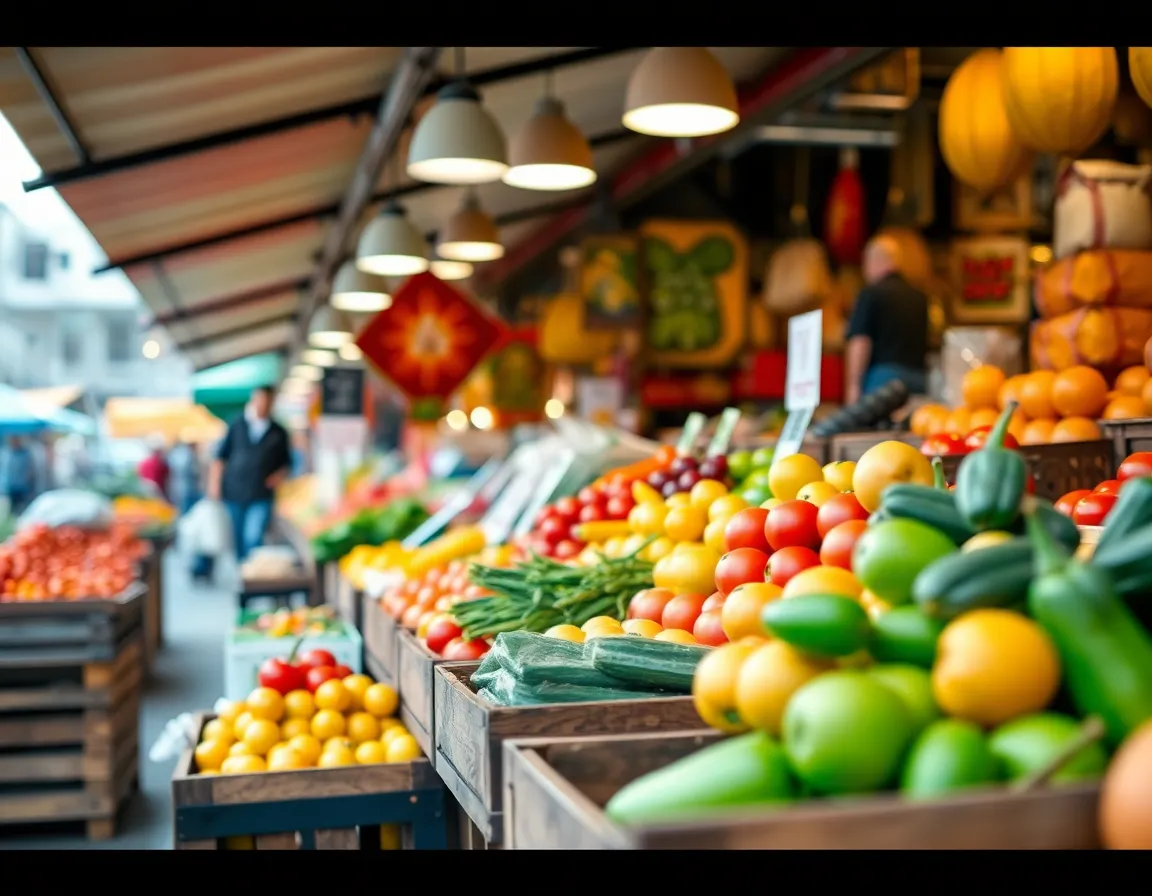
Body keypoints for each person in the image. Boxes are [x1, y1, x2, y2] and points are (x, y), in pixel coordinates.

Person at [207, 385, 291, 563]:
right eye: (260, 400)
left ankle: (253, 573)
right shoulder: (237, 424)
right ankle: (243, 574)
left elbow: (286, 463)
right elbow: (220, 457)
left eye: (268, 401)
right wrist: (214, 485)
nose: (263, 405)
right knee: (237, 536)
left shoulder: (279, 431)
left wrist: (278, 477)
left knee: (253, 536)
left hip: (262, 493)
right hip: (234, 491)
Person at [844, 234, 930, 405]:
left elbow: (860, 342)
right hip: (919, 381)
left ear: (873, 261)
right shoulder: (920, 297)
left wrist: (852, 387)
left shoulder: (870, 294)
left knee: (874, 430)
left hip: (883, 381)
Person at [1, 436, 37, 514]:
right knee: (9, 511)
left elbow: (30, 470)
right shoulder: (5, 453)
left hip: (22, 487)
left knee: (22, 510)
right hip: (9, 487)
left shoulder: (25, 454)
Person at [168, 439, 201, 515]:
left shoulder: (177, 454)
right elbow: (188, 470)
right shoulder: (186, 454)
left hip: (180, 486)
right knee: (187, 510)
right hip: (186, 487)